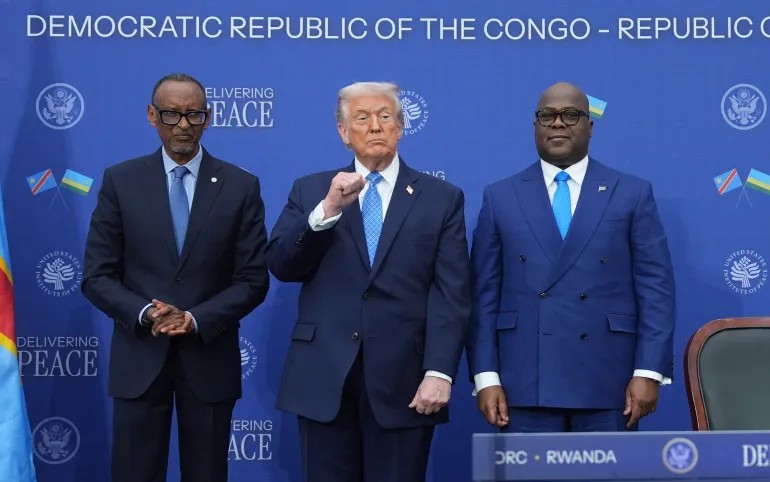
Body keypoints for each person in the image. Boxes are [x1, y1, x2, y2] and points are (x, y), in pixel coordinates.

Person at [266, 81, 470, 482]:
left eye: (384, 116)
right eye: (362, 118)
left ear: (400, 127)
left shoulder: (442, 198)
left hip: (405, 382)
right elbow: (282, 265)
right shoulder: (312, 190)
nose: (375, 126)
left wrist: (439, 371)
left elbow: (452, 293)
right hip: (323, 378)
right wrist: (326, 211)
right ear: (344, 133)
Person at [81, 73, 270, 482]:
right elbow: (96, 275)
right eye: (171, 114)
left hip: (209, 360)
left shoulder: (240, 186)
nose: (183, 124)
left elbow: (253, 280)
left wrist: (194, 318)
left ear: (208, 118)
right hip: (139, 359)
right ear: (152, 116)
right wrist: (147, 312)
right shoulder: (121, 181)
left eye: (193, 114)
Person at [467, 82, 675, 433]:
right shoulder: (500, 196)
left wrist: (648, 371)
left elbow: (656, 290)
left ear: (589, 127)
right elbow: (482, 296)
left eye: (571, 115)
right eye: (547, 115)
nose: (558, 123)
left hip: (610, 382)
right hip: (523, 383)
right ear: (535, 126)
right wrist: (486, 376)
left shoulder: (632, 193)